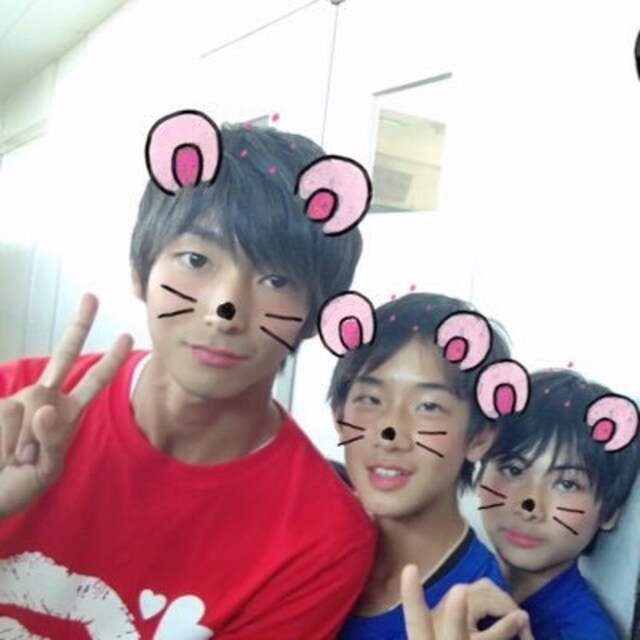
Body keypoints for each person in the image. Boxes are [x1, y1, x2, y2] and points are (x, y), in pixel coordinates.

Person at [0, 111, 376, 638]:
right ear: (140, 272)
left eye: (275, 279)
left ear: (315, 315)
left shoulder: (321, 537)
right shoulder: (11, 403)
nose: (226, 309)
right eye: (197, 260)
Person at [327, 292, 531, 640]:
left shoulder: (480, 619)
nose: (390, 433)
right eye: (370, 399)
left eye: (428, 406)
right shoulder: (317, 543)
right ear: (339, 416)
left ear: (480, 437)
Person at [477, 368, 640, 639]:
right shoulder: (450, 574)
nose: (529, 506)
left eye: (566, 484)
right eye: (513, 470)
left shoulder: (584, 633)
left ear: (609, 512)